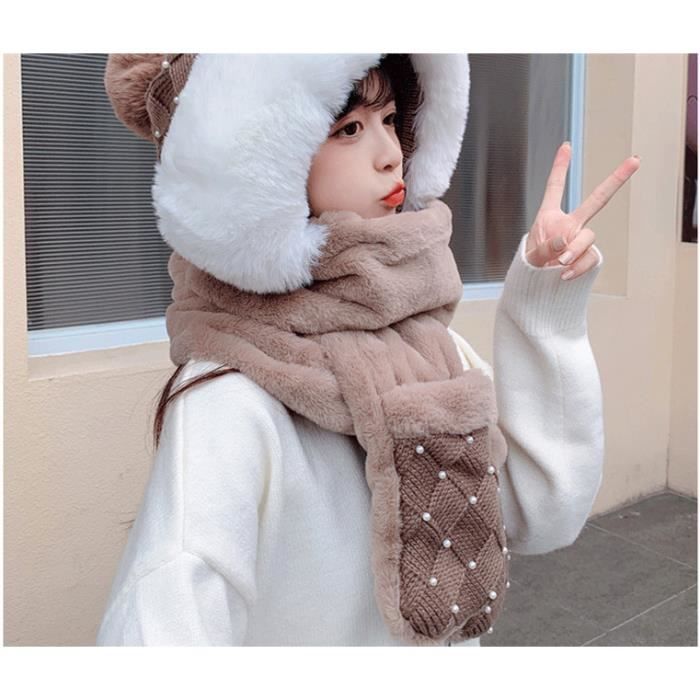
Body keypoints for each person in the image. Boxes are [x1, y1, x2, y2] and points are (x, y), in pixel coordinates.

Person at [96, 53, 639, 646]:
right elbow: (165, 616)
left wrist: (544, 299)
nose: (390, 153)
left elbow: (541, 511)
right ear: (254, 165)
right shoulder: (229, 399)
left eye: (390, 119)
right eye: (349, 128)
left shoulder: (430, 349)